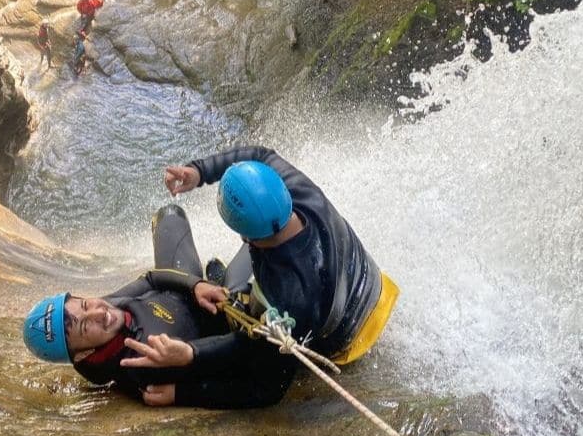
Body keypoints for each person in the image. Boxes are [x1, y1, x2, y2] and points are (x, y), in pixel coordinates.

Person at [121, 146, 398, 374]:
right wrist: (200, 171)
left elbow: (258, 363)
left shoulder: (291, 296)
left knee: (226, 290)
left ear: (245, 235)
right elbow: (259, 156)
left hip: (346, 338)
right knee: (240, 280)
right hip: (372, 289)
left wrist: (192, 356)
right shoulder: (300, 192)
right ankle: (234, 288)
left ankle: (233, 291)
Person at [22, 204, 293, 408]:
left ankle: (211, 279)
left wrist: (195, 285)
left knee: (170, 215)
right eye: (84, 326)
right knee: (267, 239)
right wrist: (184, 385)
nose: (97, 311)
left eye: (83, 303)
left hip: (187, 293)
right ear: (82, 355)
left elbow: (151, 278)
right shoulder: (147, 361)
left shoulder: (104, 309)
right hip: (224, 315)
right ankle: (228, 279)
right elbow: (264, 387)